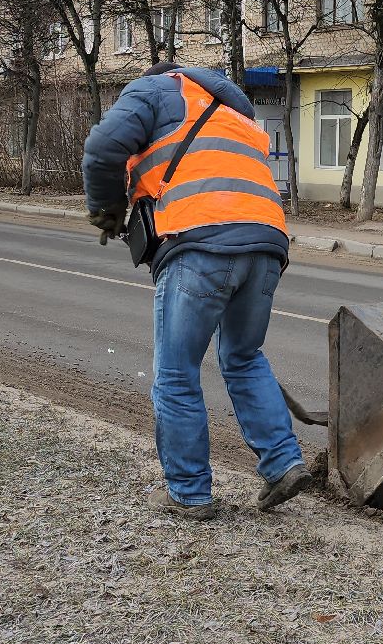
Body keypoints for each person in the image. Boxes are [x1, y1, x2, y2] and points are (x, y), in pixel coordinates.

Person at [82, 61, 312, 521]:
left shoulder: (155, 90)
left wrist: (106, 208)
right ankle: (284, 463)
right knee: (244, 357)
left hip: (199, 242)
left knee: (176, 372)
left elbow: (103, 148)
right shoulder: (238, 114)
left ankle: (189, 492)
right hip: (267, 242)